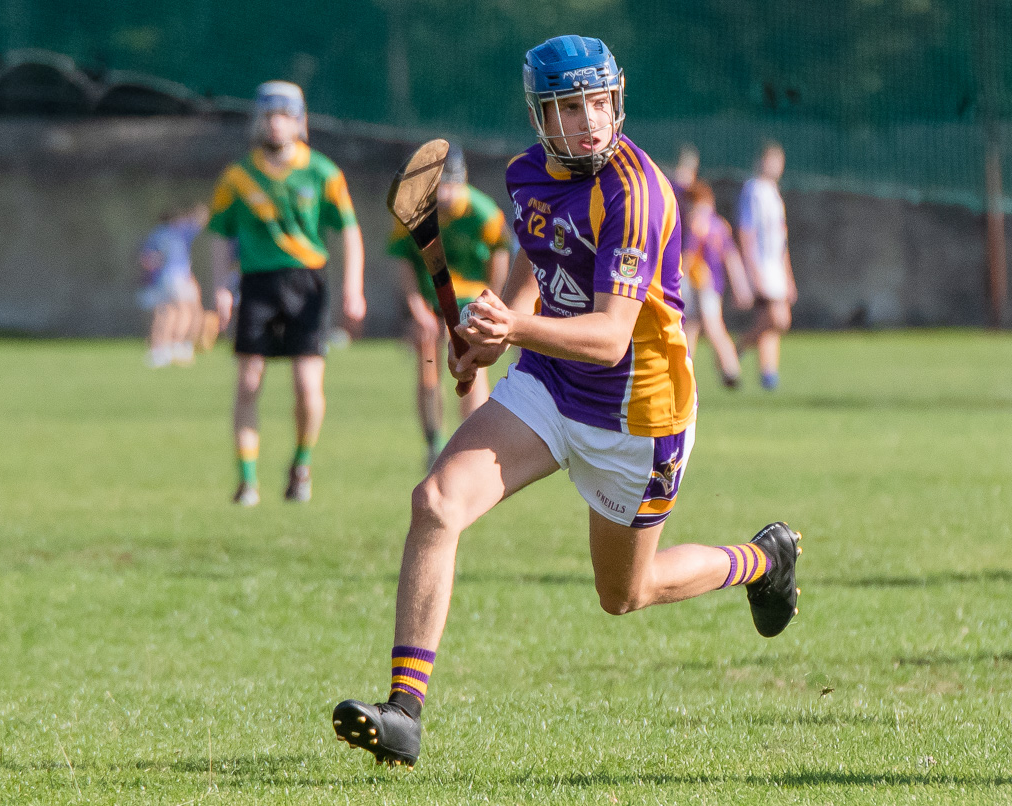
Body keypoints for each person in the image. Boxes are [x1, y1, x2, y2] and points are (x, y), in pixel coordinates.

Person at [331, 35, 802, 769]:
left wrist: (514, 327)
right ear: (538, 115)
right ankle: (404, 713)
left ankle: (760, 561)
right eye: (567, 108)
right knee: (435, 504)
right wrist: (490, 335)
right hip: (550, 387)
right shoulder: (526, 175)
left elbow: (612, 336)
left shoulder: (635, 191)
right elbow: (536, 255)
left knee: (626, 594)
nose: (587, 121)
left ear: (616, 100)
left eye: (597, 103)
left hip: (638, 416)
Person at [207, 80, 365, 506]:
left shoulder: (323, 172)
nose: (276, 124)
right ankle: (247, 481)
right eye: (269, 115)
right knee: (248, 381)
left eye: (285, 115)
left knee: (307, 389)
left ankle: (301, 466)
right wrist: (222, 286)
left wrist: (353, 287)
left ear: (300, 121)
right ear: (259, 120)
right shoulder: (238, 176)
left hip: (308, 283)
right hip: (258, 283)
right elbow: (220, 235)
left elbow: (349, 231)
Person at [388, 145, 511, 469]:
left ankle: (471, 446)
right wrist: (416, 308)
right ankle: (433, 444)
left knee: (471, 368)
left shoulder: (483, 212)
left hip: (470, 300)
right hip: (430, 301)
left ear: (462, 180)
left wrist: (492, 302)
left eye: (450, 185)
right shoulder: (414, 211)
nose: (444, 193)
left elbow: (501, 255)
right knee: (428, 367)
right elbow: (402, 261)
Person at [735, 141, 797, 391]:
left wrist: (788, 274)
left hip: (776, 266)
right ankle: (738, 347)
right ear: (761, 161)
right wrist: (752, 270)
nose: (775, 166)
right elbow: (746, 232)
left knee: (772, 320)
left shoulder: (774, 192)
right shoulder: (754, 190)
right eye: (771, 160)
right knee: (777, 318)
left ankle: (768, 373)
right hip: (762, 264)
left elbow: (782, 239)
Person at [680, 180, 752, 388]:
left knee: (712, 327)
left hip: (704, 284)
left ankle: (731, 370)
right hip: (703, 284)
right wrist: (740, 286)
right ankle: (685, 370)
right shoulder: (719, 224)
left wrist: (677, 279)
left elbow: (689, 256)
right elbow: (731, 256)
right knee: (690, 327)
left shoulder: (699, 224)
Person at [136, 204, 208, 367]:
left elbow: (146, 258)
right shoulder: (180, 231)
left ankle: (159, 349)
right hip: (177, 275)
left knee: (166, 312)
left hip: (163, 278)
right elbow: (201, 220)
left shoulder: (158, 233)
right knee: (184, 309)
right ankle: (176, 345)